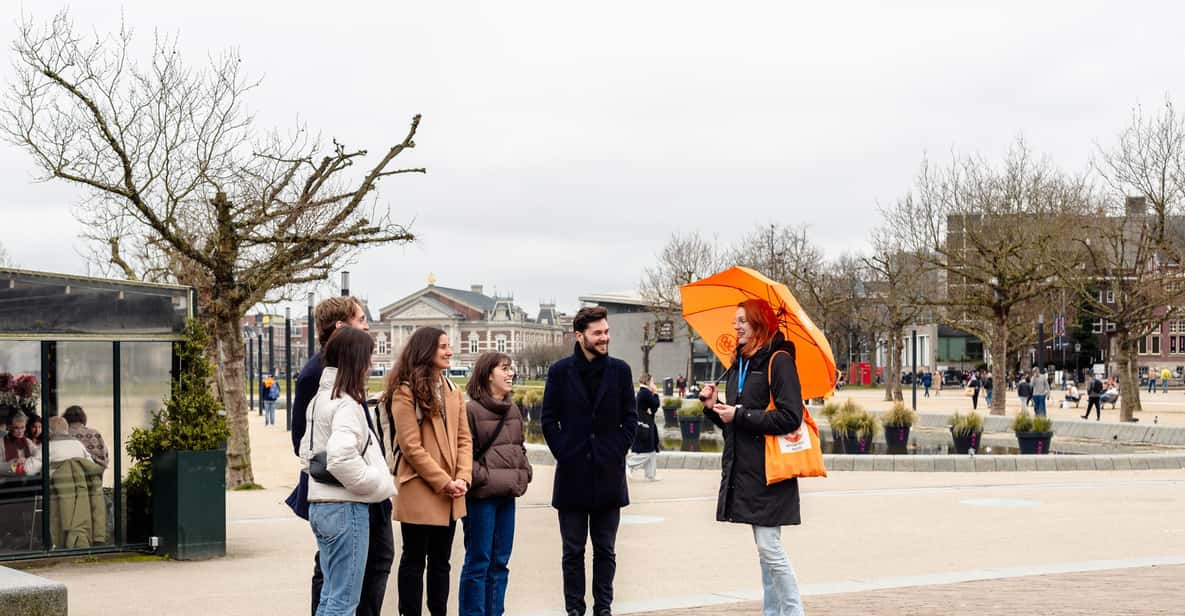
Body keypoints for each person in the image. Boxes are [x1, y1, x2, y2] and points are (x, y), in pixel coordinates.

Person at [699, 299, 806, 616]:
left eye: (743, 320)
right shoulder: (738, 363)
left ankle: (793, 611)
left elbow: (790, 417)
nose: (736, 326)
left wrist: (740, 414)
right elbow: (733, 423)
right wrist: (713, 408)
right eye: (735, 320)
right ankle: (773, 613)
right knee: (765, 551)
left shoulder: (780, 360)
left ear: (760, 323)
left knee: (769, 547)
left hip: (770, 469)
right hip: (745, 469)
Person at [287, 296, 392, 616]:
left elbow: (310, 445)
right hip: (345, 498)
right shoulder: (327, 385)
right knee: (342, 594)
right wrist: (376, 482)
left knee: (342, 589)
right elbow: (325, 452)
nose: (367, 324)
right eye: (361, 319)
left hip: (336, 498)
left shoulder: (329, 389)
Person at [541, 306, 638, 616]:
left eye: (606, 332)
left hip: (609, 473)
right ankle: (574, 611)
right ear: (579, 335)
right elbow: (548, 420)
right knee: (572, 551)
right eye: (598, 333)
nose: (604, 337)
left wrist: (616, 451)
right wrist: (565, 453)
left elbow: (631, 419)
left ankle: (603, 610)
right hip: (572, 474)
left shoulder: (621, 371)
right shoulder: (559, 371)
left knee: (605, 551)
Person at [382, 326, 473, 616]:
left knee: (441, 562)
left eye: (449, 346)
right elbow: (410, 446)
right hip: (421, 488)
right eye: (443, 347)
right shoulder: (404, 392)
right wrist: (444, 481)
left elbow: (464, 439)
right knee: (413, 559)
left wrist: (463, 477)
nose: (450, 351)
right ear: (425, 351)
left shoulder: (453, 390)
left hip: (451, 489)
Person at [458, 352, 532, 616]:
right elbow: (463, 454)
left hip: (507, 496)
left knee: (500, 563)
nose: (510, 373)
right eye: (504, 368)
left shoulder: (512, 409)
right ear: (488, 374)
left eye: (511, 368)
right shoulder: (470, 410)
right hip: (481, 499)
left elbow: (519, 448)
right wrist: (485, 478)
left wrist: (524, 473)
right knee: (479, 563)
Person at [628, 374, 661, 481]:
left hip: (645, 424)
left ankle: (650, 475)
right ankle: (628, 465)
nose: (654, 384)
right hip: (645, 425)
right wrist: (655, 393)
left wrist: (651, 409)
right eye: (652, 382)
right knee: (646, 451)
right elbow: (655, 404)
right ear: (647, 382)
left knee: (651, 452)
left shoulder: (642, 392)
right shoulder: (645, 393)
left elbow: (652, 409)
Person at [2, 412, 41, 476]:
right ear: (9, 427)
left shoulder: (28, 442)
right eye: (16, 428)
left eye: (22, 427)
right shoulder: (1, 443)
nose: (20, 431)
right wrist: (13, 464)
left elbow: (39, 456)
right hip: (7, 481)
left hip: (27, 480)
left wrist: (27, 461)